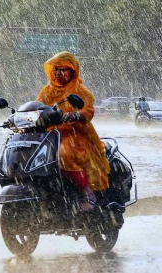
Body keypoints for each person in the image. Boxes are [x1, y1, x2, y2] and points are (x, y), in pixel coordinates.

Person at [36, 51, 111, 212]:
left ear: (73, 72)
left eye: (64, 69)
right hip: (50, 135)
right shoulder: (46, 91)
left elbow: (88, 111)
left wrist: (76, 114)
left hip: (75, 135)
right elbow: (37, 107)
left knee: (64, 154)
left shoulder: (81, 92)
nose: (59, 73)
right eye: (56, 69)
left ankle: (87, 193)